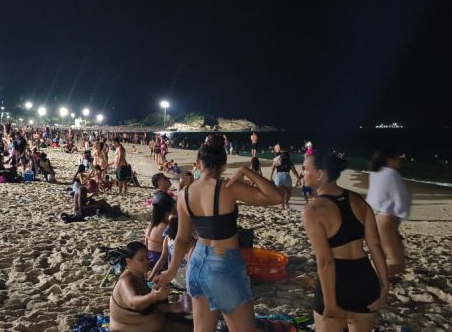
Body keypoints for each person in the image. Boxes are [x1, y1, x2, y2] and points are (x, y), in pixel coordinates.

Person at [154, 135, 283, 332]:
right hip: (224, 264)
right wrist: (245, 170)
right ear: (223, 166)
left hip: (196, 263)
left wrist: (170, 272)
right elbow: (276, 196)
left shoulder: (184, 194)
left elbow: (181, 238)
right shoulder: (228, 188)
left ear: (198, 164)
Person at [301, 152, 389, 331]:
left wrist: (330, 304)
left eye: (305, 169)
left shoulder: (313, 210)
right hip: (365, 280)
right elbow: (375, 246)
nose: (302, 173)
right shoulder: (358, 200)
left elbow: (326, 261)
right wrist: (385, 286)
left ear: (320, 174)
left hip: (337, 284)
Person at [109, 241, 191, 332]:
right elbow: (133, 303)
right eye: (141, 259)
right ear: (128, 261)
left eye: (147, 258)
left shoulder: (139, 277)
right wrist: (153, 296)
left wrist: (174, 307)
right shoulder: (125, 281)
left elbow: (152, 306)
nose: (147, 261)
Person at [366, 147, 411, 277]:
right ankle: (364, 281)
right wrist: (401, 215)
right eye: (397, 158)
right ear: (388, 160)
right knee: (396, 263)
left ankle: (371, 282)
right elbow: (400, 198)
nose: (400, 160)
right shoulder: (392, 174)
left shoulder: (375, 173)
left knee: (382, 259)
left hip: (374, 218)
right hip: (385, 220)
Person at [146, 173, 175, 270]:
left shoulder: (159, 196)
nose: (168, 179)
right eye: (165, 178)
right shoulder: (162, 198)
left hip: (152, 255)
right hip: (159, 259)